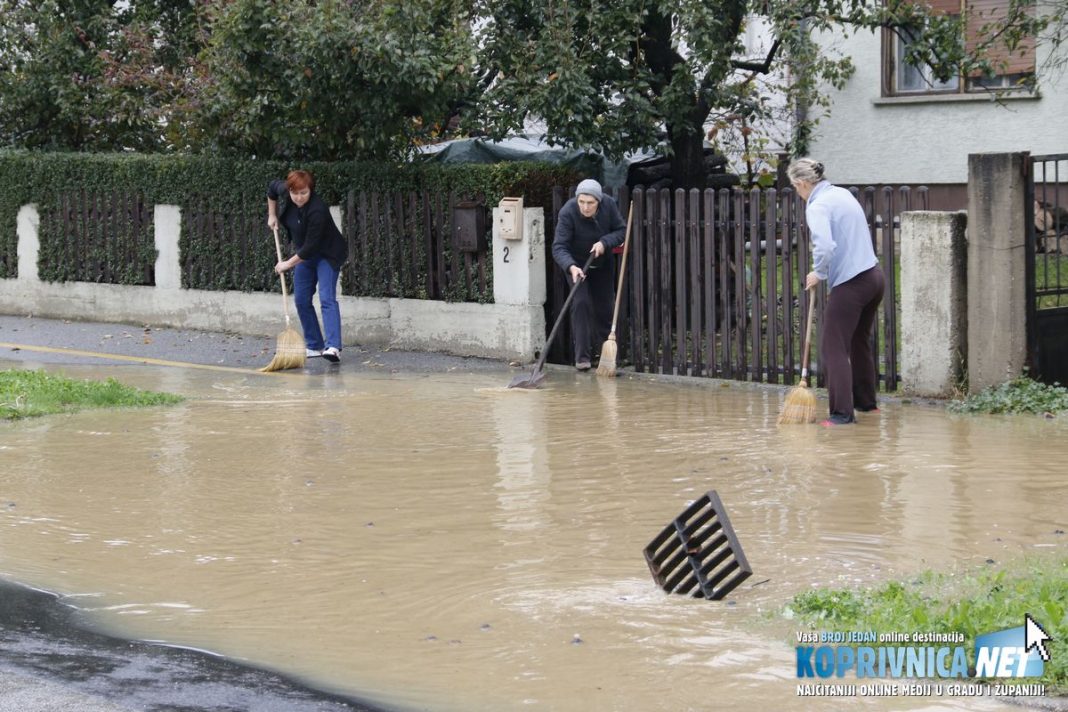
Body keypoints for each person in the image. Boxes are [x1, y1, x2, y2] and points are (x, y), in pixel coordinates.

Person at [788, 158, 886, 426]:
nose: (798, 193)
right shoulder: (841, 193)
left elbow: (826, 247)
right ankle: (866, 404)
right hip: (874, 277)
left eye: (796, 188)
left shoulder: (817, 205)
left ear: (803, 183)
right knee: (858, 341)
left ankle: (842, 415)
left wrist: (818, 272)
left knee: (834, 347)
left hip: (853, 282)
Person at [266, 170, 349, 363]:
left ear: (310, 190)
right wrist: (272, 215)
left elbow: (311, 247)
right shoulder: (286, 191)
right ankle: (314, 346)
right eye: (295, 193)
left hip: (327, 254)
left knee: (326, 297)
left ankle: (333, 347)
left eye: (304, 193)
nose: (299, 197)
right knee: (302, 299)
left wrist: (286, 264)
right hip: (304, 255)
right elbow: (271, 189)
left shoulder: (317, 210)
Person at [552, 179, 627, 371]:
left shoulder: (609, 205)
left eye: (590, 203)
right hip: (577, 266)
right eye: (581, 202)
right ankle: (582, 359)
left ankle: (607, 359)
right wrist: (571, 267)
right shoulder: (568, 212)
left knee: (605, 309)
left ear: (599, 202)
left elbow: (621, 231)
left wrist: (604, 242)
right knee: (581, 304)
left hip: (602, 263)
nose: (585, 207)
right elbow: (559, 247)